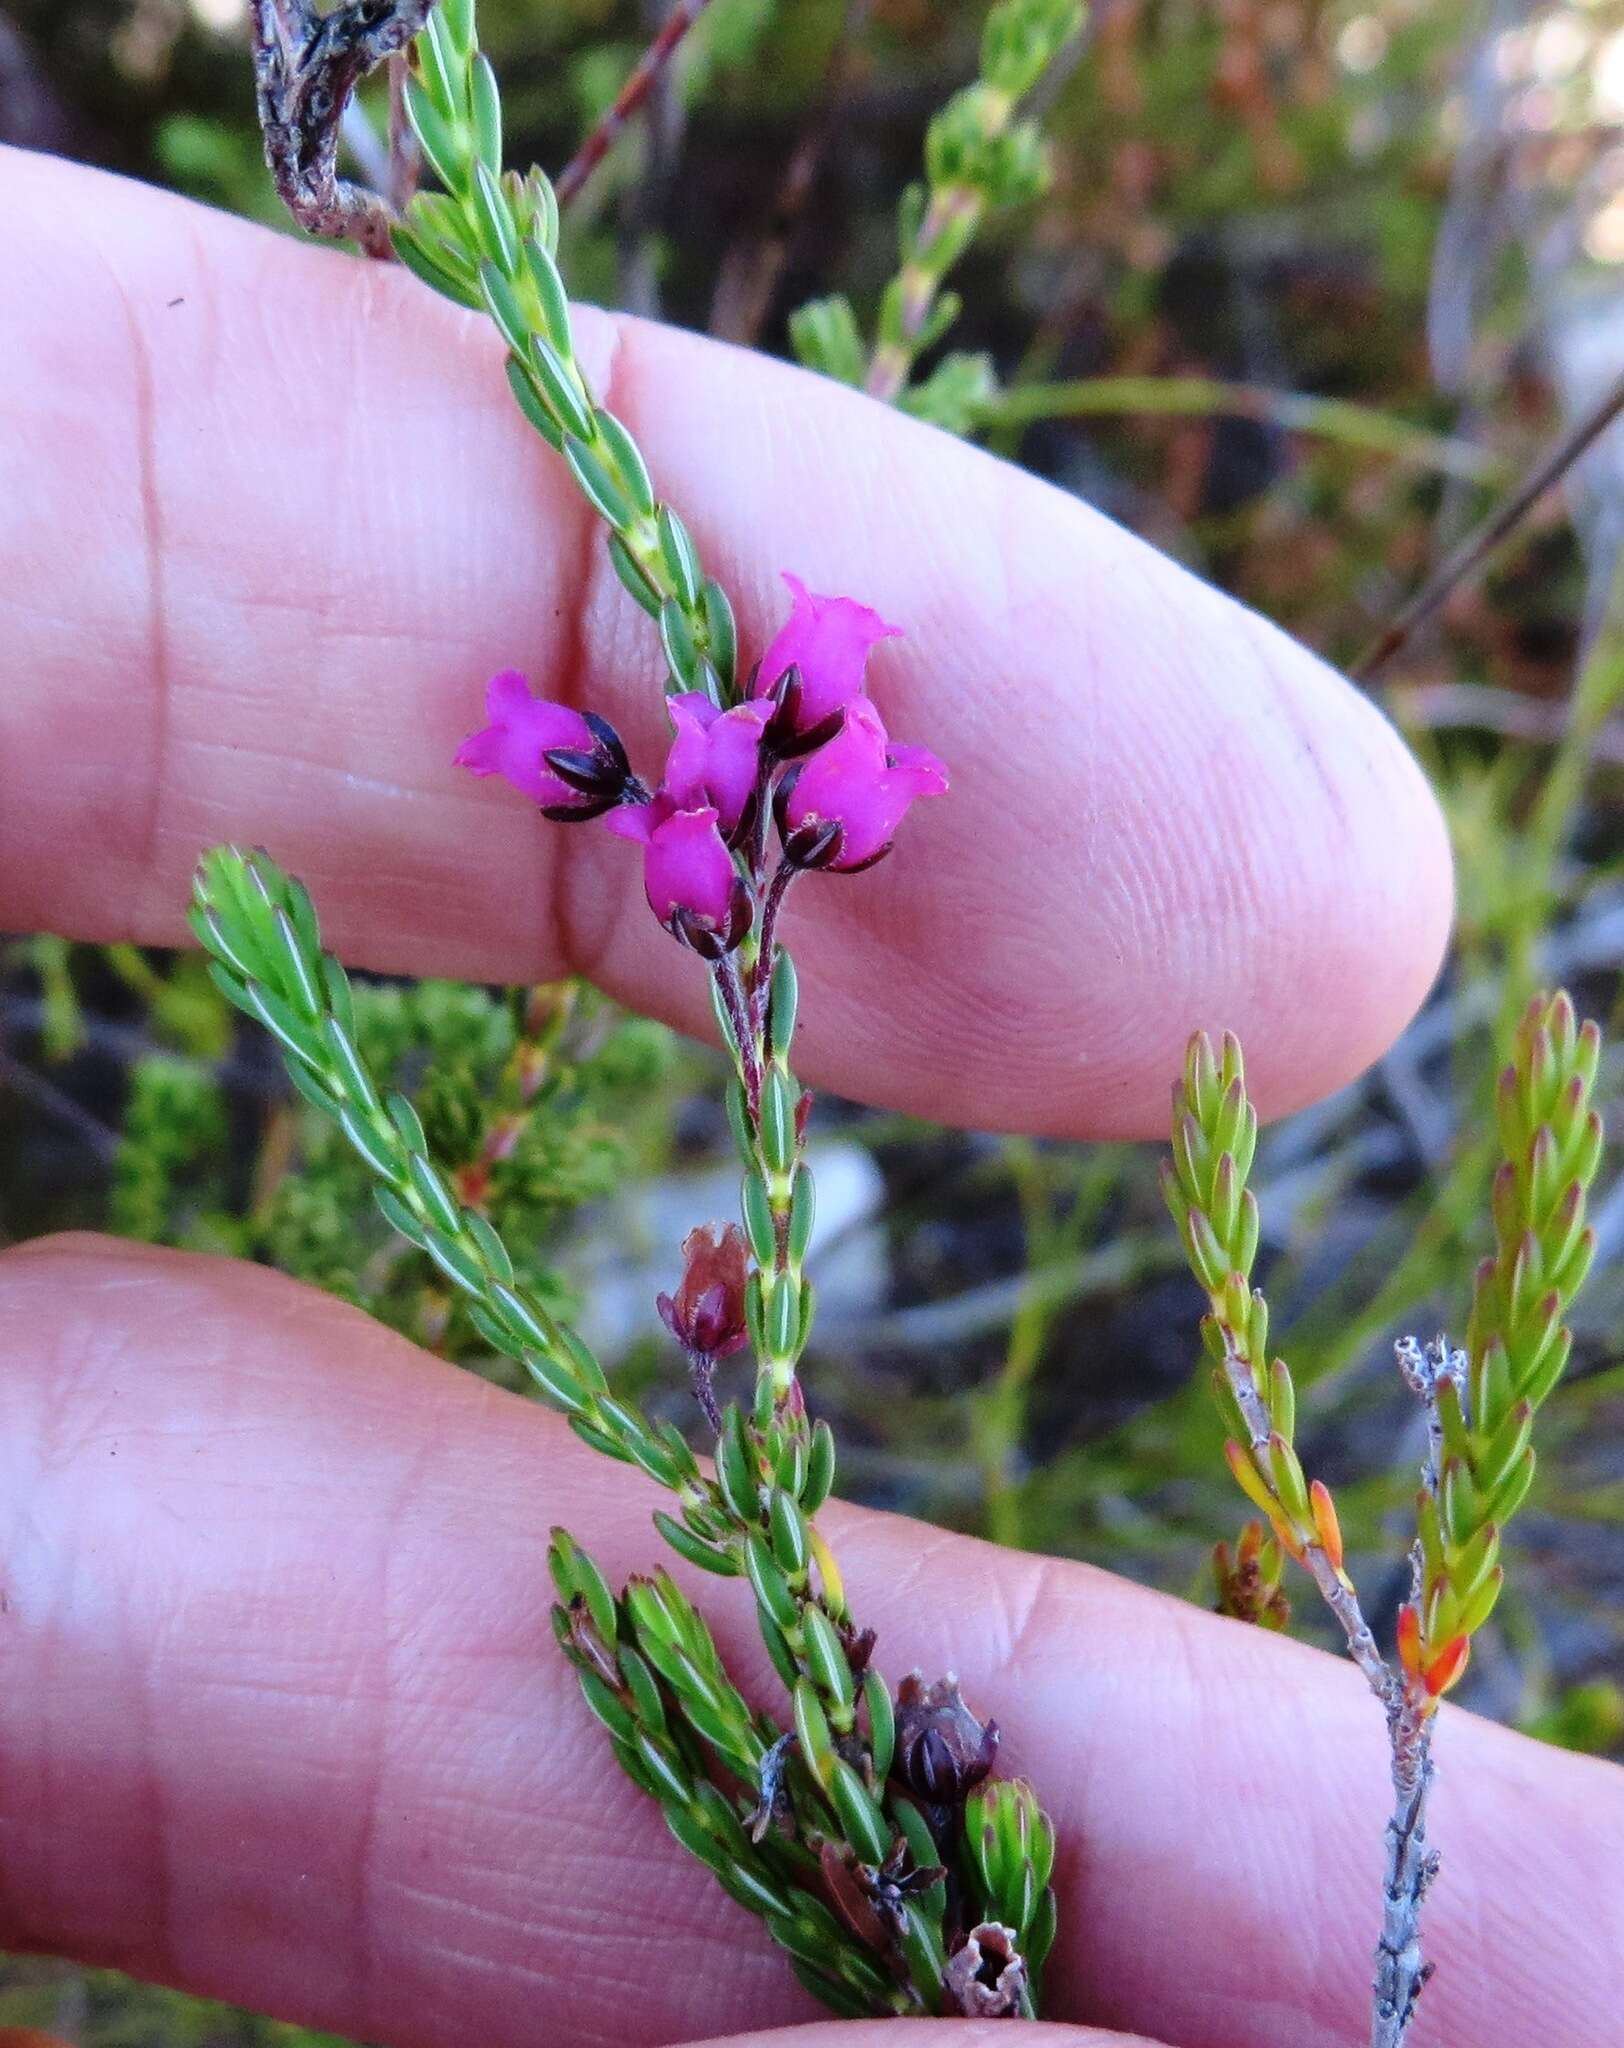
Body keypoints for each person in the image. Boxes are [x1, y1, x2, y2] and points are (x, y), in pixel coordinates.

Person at [0, 144, 1616, 2048]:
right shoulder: (678, 815)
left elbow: (765, 829)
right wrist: (699, 788)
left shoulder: (743, 822)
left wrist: (762, 776)